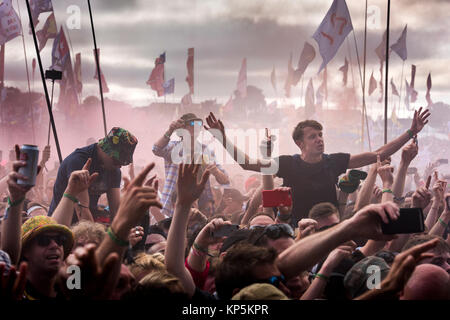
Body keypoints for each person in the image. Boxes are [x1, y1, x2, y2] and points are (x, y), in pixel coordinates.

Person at [205, 108, 431, 224]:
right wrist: (222, 137)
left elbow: (378, 154)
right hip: (298, 232)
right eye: (313, 136)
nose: (319, 139)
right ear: (300, 143)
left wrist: (411, 132)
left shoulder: (334, 161)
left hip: (329, 230)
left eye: (321, 135)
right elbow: (247, 163)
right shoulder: (288, 164)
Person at [48, 127, 138, 224]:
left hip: (88, 223)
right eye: (117, 160)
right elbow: (82, 212)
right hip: (60, 223)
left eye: (123, 163)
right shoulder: (78, 161)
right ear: (106, 149)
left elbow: (115, 211)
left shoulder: (114, 169)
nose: (119, 166)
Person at [152, 113, 230, 217]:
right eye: (191, 125)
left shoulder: (205, 150)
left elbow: (225, 180)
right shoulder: (173, 147)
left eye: (197, 125)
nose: (195, 128)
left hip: (201, 206)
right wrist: (169, 131)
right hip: (174, 204)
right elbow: (156, 149)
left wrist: (215, 170)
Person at [20, 215, 74, 300]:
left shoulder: (73, 285)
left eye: (59, 239)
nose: (54, 245)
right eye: (44, 240)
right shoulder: (14, 291)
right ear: (25, 251)